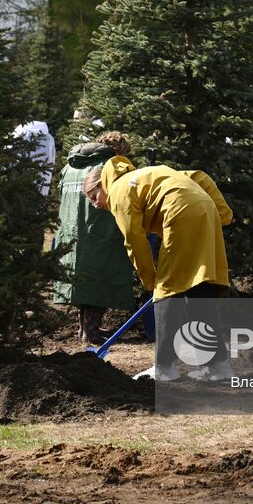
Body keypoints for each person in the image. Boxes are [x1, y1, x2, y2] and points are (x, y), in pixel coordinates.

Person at [83, 154, 234, 381]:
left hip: (179, 213)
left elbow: (134, 240)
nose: (96, 204)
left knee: (167, 294)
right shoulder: (147, 174)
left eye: (94, 196)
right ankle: (218, 366)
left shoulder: (117, 191)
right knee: (199, 291)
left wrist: (152, 281)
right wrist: (222, 214)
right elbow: (199, 177)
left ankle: (164, 368)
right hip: (205, 211)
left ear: (101, 184)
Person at [52, 131, 137, 346]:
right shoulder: (110, 166)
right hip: (102, 232)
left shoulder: (70, 166)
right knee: (100, 281)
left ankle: (86, 329)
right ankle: (90, 332)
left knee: (84, 283)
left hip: (71, 233)